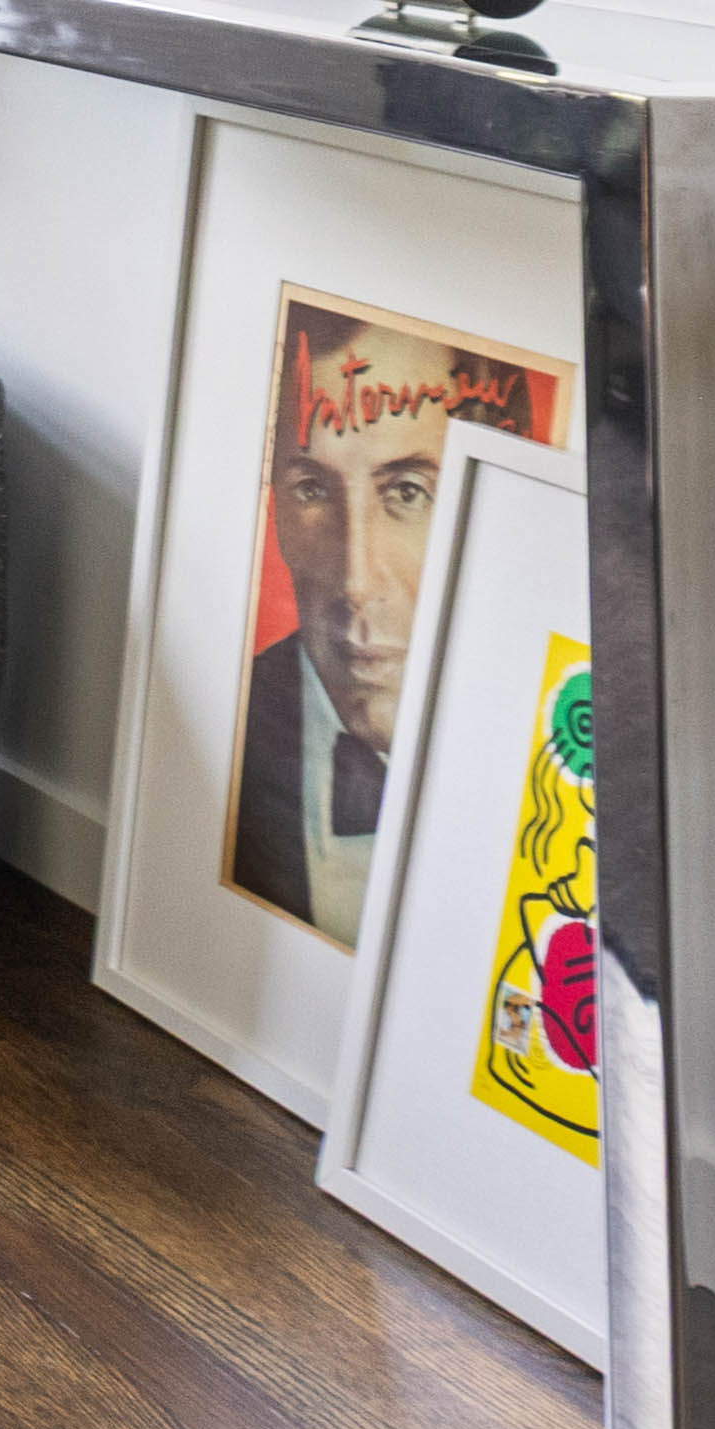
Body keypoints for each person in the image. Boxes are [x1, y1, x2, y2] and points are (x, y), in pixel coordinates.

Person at [228, 298, 527, 947]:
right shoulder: (220, 715)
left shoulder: (554, 769)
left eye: (408, 493)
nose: (356, 581)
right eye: (312, 489)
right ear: (274, 505)